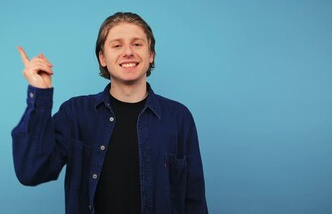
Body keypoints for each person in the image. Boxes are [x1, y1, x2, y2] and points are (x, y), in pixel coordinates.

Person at [12, 12, 209, 214]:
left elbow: (193, 200)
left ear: (151, 55)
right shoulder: (75, 114)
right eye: (117, 45)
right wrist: (41, 96)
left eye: (137, 44)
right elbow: (31, 171)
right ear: (103, 58)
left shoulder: (179, 118)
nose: (128, 52)